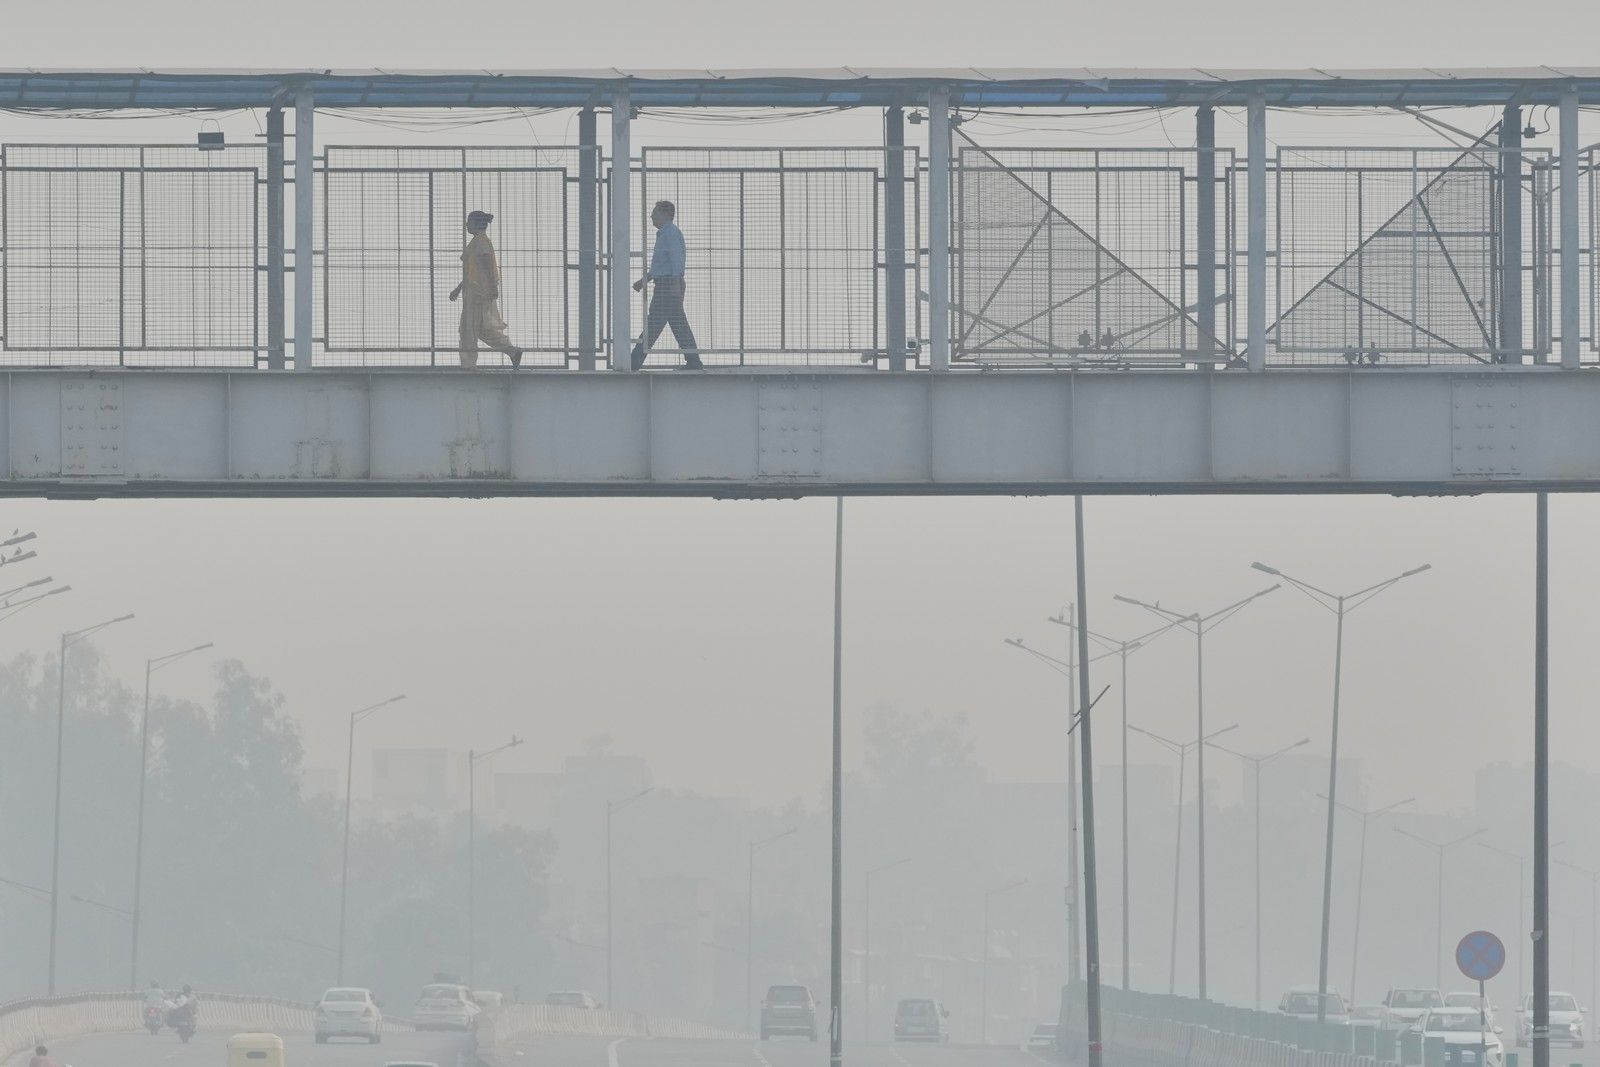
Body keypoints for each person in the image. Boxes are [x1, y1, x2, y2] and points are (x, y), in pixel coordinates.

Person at [631, 200, 703, 370]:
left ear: (665, 214)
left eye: (655, 212)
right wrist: (644, 280)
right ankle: (693, 361)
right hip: (668, 283)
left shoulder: (670, 233)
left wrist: (676, 283)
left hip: (668, 285)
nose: (651, 216)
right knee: (678, 324)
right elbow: (661, 265)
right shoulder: (666, 233)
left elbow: (675, 260)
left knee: (654, 323)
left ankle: (634, 361)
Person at [449, 210, 524, 369]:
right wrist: (458, 289)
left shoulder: (481, 242)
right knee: (483, 329)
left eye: (469, 222)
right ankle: (512, 351)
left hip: (478, 294)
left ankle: (468, 365)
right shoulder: (477, 241)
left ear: (477, 224)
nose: (467, 225)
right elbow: (472, 272)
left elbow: (489, 266)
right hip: (475, 292)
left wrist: (493, 287)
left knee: (468, 329)